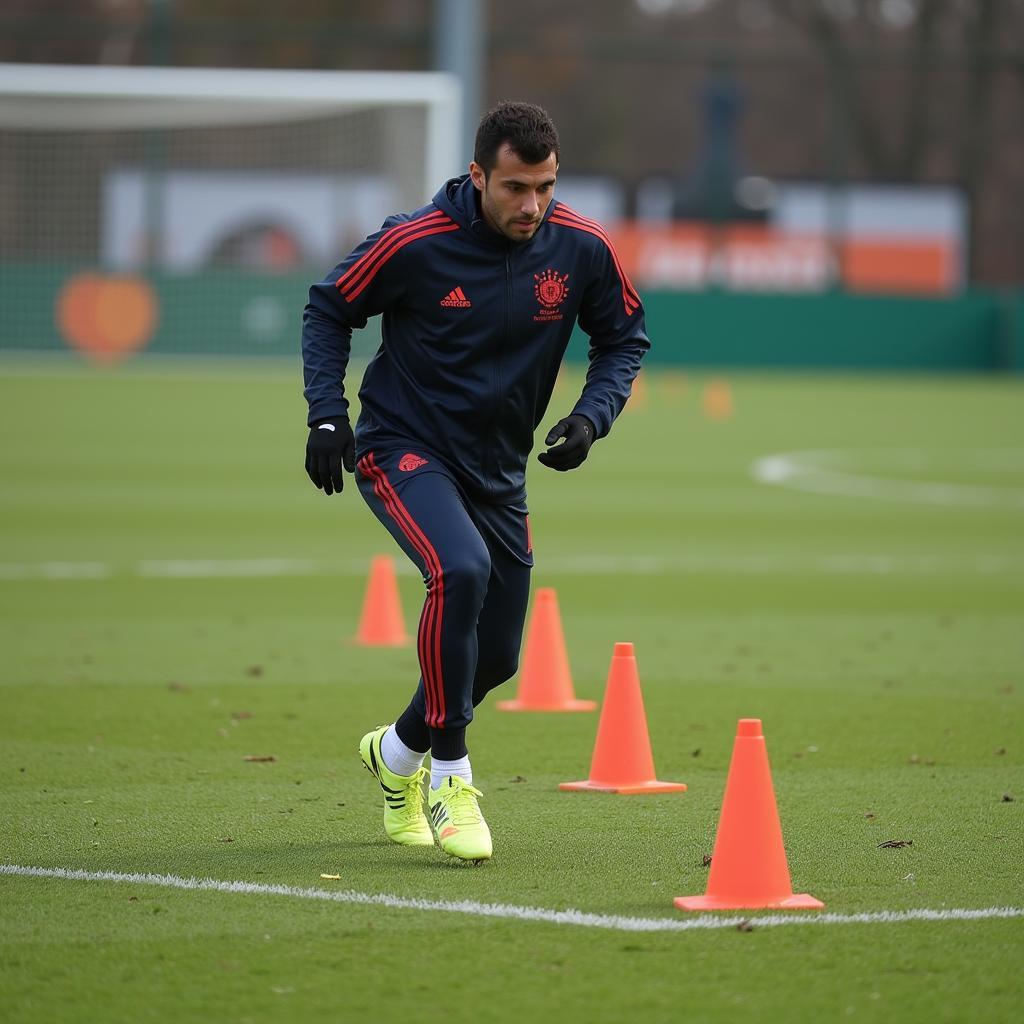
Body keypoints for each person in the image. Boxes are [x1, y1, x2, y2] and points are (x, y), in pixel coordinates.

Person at [301, 101, 650, 862]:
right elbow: (329, 309)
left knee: (495, 659)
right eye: (515, 188)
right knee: (457, 572)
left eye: (545, 187)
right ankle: (449, 780)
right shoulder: (414, 242)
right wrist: (328, 415)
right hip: (404, 448)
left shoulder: (582, 247)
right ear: (478, 177)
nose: (532, 205)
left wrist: (592, 417)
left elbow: (624, 336)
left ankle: (394, 756)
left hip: (498, 471)